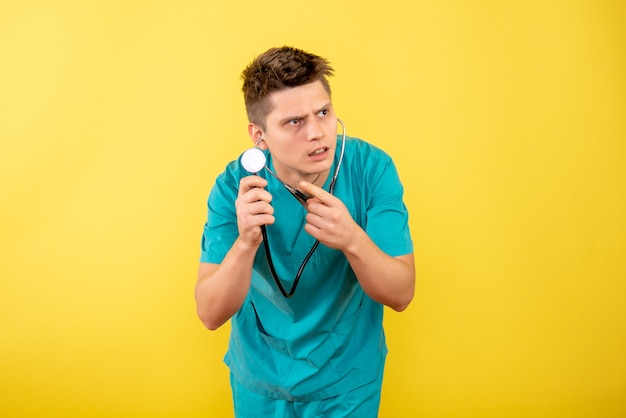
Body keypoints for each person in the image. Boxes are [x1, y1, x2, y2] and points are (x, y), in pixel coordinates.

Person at [195, 46, 415, 417]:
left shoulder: (371, 169)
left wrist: (352, 239)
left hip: (347, 382)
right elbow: (210, 313)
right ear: (258, 135)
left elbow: (401, 294)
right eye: (294, 121)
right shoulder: (235, 186)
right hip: (262, 380)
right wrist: (247, 241)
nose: (316, 133)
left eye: (323, 113)